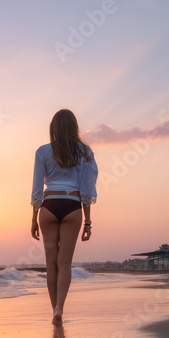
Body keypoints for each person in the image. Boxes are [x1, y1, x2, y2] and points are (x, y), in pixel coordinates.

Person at [30, 109, 98, 325]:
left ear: (53, 128)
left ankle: (54, 311)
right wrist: (88, 221)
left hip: (48, 207)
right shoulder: (85, 152)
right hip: (72, 206)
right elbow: (87, 189)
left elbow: (37, 188)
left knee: (51, 263)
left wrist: (34, 218)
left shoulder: (42, 152)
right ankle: (60, 308)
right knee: (65, 263)